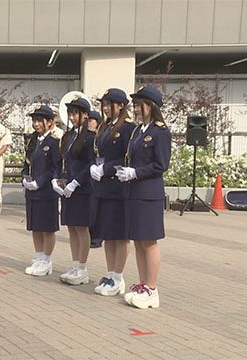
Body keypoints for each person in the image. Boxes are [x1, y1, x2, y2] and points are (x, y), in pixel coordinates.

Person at [117, 85, 171, 309]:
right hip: (134, 192)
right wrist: (126, 172)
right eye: (136, 105)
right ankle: (142, 284)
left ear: (152, 106)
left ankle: (152, 288)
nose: (137, 109)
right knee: (138, 240)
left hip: (149, 193)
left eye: (141, 104)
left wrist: (135, 173)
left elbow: (161, 165)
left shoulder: (160, 132)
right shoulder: (139, 131)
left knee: (149, 242)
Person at [89, 88, 135, 297]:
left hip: (118, 187)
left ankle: (118, 276)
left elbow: (127, 158)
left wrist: (105, 169)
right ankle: (110, 273)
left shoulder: (127, 128)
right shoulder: (104, 127)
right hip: (104, 187)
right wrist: (95, 167)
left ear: (121, 106)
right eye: (104, 104)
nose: (106, 108)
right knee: (108, 234)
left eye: (110, 104)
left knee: (120, 234)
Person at [53, 97, 95, 285]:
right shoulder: (68, 136)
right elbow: (63, 160)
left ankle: (83, 268)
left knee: (81, 227)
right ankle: (75, 264)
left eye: (76, 113)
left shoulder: (90, 137)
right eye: (70, 113)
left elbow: (90, 164)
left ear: (85, 114)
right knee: (71, 227)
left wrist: (76, 182)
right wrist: (57, 179)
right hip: (68, 187)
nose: (72, 117)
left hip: (83, 187)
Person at [22, 105, 60, 277]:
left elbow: (55, 168)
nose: (36, 124)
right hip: (32, 190)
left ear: (50, 122)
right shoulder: (32, 140)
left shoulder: (53, 143)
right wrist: (25, 178)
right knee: (35, 226)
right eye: (34, 121)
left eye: (39, 121)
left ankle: (46, 259)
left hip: (46, 191)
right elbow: (26, 163)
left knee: (47, 227)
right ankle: (39, 256)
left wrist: (40, 182)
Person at [87, 110, 104, 249]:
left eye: (91, 120)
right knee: (90, 208)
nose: (89, 123)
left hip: (100, 174)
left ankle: (97, 237)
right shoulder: (87, 136)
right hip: (89, 174)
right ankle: (90, 234)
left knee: (97, 208)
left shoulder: (100, 136)